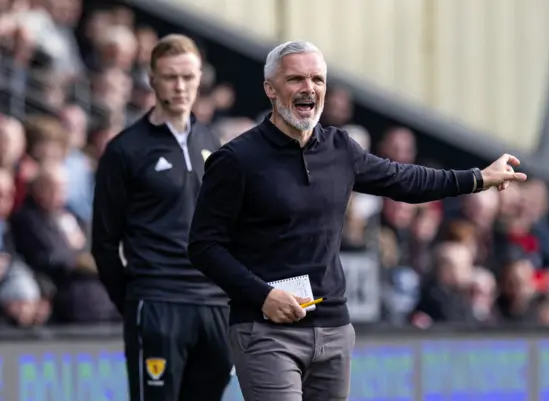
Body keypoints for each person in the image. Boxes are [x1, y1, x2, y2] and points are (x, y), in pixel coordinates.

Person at [188, 40, 526, 401]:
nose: (309, 88)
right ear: (270, 88)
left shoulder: (341, 148)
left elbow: (406, 181)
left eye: (318, 79)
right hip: (266, 328)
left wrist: (476, 177)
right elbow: (204, 246)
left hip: (333, 329)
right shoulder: (236, 160)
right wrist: (263, 295)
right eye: (296, 79)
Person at [91, 34, 232, 401]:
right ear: (152, 79)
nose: (181, 85)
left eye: (188, 76)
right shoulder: (124, 150)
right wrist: (135, 299)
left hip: (215, 306)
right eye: (170, 76)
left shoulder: (213, 143)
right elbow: (104, 242)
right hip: (157, 302)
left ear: (200, 78)